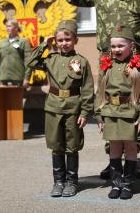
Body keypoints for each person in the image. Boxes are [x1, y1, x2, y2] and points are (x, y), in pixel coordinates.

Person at [66, 0, 140, 179]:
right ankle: (113, 161)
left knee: (133, 104)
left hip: (137, 57)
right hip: (107, 57)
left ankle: (132, 161)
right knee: (111, 102)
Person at [26, 20, 94, 198]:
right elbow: (30, 62)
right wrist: (45, 45)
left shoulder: (82, 61)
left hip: (73, 107)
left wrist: (85, 112)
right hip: (54, 107)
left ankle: (72, 182)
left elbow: (87, 89)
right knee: (56, 146)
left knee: (72, 147)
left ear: (75, 40)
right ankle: (58, 182)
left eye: (67, 39)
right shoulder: (50, 59)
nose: (64, 43)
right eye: (60, 40)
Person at [95, 26, 140, 200]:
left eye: (120, 46)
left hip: (129, 113)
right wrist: (99, 115)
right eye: (113, 46)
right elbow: (100, 93)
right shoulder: (107, 65)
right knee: (115, 148)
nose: (116, 49)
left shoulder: (137, 66)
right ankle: (116, 184)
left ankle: (127, 185)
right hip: (111, 112)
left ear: (131, 46)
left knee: (131, 148)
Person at [0, 19, 31, 87]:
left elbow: (28, 61)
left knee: (16, 97)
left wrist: (27, 78)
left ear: (16, 28)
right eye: (7, 27)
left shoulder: (23, 41)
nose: (7, 28)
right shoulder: (2, 42)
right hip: (3, 79)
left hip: (17, 78)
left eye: (9, 26)